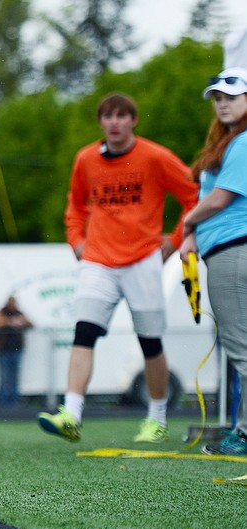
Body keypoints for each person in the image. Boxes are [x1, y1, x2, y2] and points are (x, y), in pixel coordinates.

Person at [39, 92, 198, 443]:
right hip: (98, 259)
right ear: (100, 122)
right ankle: (72, 414)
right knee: (84, 332)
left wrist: (174, 240)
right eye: (108, 116)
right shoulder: (85, 159)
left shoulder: (155, 156)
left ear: (133, 121)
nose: (114, 122)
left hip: (143, 258)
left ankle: (156, 418)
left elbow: (193, 196)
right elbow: (75, 205)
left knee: (150, 342)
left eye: (121, 115)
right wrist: (75, 240)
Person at [178, 65, 247, 456]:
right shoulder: (233, 142)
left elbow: (219, 200)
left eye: (232, 97)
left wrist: (188, 221)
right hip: (229, 250)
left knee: (241, 351)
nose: (222, 104)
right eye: (218, 98)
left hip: (234, 252)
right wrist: (191, 233)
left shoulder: (244, 142)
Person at [0, 295, 33, 408]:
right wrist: (10, 322)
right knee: (5, 377)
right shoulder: (2, 313)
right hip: (5, 350)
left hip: (17, 349)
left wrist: (20, 322)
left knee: (15, 377)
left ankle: (15, 401)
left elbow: (30, 323)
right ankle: (3, 402)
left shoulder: (19, 313)